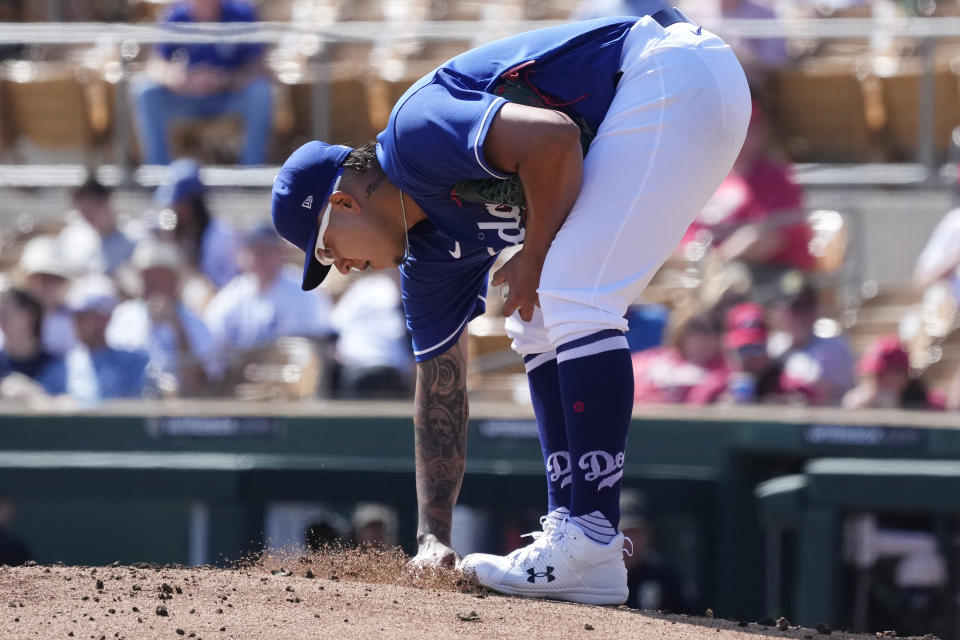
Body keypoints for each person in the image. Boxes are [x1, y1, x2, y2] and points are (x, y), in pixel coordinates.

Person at [270, 12, 750, 604]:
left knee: (570, 290)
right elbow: (439, 389)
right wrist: (431, 536)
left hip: (670, 72)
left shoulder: (413, 134)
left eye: (327, 250)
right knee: (540, 315)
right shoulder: (428, 261)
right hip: (670, 99)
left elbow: (553, 139)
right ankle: (574, 536)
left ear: (342, 202)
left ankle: (592, 540)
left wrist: (536, 255)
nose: (339, 268)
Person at [679, 101, 811, 299]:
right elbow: (686, 232)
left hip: (763, 274)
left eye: (747, 129)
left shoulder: (776, 177)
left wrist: (718, 260)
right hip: (699, 268)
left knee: (732, 280)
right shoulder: (705, 174)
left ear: (761, 132)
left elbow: (772, 238)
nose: (739, 137)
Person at [129, 0, 272, 165]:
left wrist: (224, 79)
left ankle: (252, 173)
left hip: (229, 96)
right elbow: (156, 65)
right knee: (145, 90)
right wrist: (180, 78)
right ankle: (158, 173)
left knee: (261, 91)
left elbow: (259, 65)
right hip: (187, 97)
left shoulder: (242, 13)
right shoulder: (176, 14)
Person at [107, 240, 219, 397]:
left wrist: (178, 329)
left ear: (175, 282)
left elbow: (198, 384)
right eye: (146, 276)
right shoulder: (124, 316)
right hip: (130, 403)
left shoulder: (195, 323)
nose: (152, 283)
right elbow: (113, 367)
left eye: (160, 276)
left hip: (178, 411)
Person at [204, 222, 334, 354]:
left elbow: (318, 344)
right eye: (253, 251)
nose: (259, 258)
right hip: (244, 371)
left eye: (265, 251)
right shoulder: (233, 294)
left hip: (291, 371)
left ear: (280, 253)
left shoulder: (304, 292)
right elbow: (214, 336)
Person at [152, 158, 240, 289]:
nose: (173, 209)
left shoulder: (221, 236)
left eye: (178, 203)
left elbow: (225, 289)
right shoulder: (178, 235)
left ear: (191, 204)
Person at [767, 274, 855, 406]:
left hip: (825, 424)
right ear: (780, 312)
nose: (804, 315)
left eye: (808, 307)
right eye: (796, 308)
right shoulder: (772, 347)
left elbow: (819, 392)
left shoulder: (833, 348)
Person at [64, 276, 149, 401]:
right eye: (75, 317)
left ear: (104, 318)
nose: (76, 323)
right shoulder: (63, 366)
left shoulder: (135, 364)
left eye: (83, 316)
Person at [329, 272, 413, 398]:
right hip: (355, 369)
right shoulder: (361, 288)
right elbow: (334, 328)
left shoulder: (406, 292)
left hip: (391, 372)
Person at [632, 308, 726, 404]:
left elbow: (697, 403)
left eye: (710, 334)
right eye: (696, 332)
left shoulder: (722, 372)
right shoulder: (653, 358)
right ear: (682, 335)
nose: (703, 341)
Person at [59, 175, 137, 277]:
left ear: (108, 202)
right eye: (84, 212)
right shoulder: (71, 237)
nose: (88, 216)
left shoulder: (135, 236)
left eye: (92, 208)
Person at [0, 287, 66, 400]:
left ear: (30, 315)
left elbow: (68, 406)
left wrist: (34, 394)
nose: (3, 318)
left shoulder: (57, 366)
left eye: (7, 311)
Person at [843, 336, 943, 410]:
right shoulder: (862, 400)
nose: (877, 382)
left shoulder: (930, 403)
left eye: (882, 375)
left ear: (903, 375)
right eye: (871, 376)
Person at [17, 235, 76, 358]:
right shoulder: (10, 318)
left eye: (54, 279)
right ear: (26, 281)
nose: (46, 286)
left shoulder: (75, 321)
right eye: (40, 278)